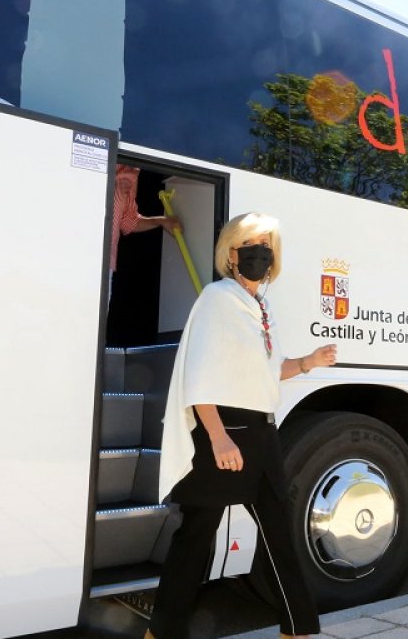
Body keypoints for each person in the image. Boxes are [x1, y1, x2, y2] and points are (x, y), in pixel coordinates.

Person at [147, 212, 336, 639]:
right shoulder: (217, 299)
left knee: (279, 531)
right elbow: (198, 376)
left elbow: (270, 371)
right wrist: (218, 438)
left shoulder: (259, 307)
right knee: (197, 535)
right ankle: (161, 632)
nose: (260, 254)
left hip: (262, 433)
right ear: (231, 254)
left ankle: (298, 630)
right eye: (251, 245)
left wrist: (309, 362)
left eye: (267, 246)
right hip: (225, 430)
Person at [109, 164, 180, 298]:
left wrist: (160, 221)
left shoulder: (132, 169)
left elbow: (127, 220)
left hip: (106, 263)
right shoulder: (93, 157)